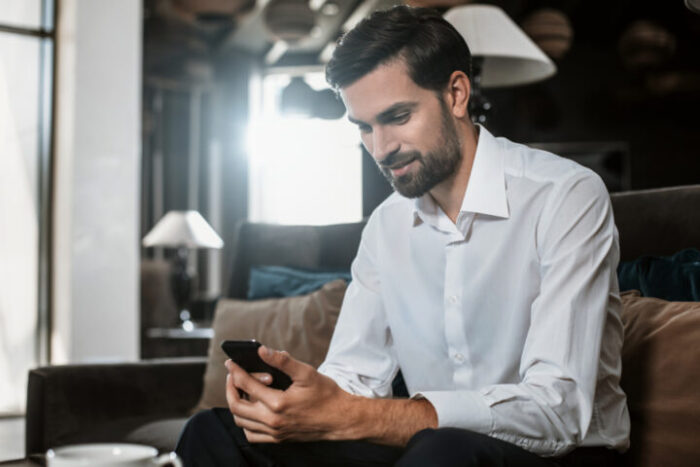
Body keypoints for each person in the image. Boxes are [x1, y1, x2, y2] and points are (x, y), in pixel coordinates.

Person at [175, 6, 630, 466]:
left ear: (456, 94)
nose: (381, 148)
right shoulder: (386, 225)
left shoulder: (566, 196)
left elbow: (558, 410)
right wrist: (305, 400)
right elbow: (354, 379)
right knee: (214, 433)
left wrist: (353, 417)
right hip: (424, 449)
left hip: (561, 456)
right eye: (365, 127)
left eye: (397, 116)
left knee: (442, 448)